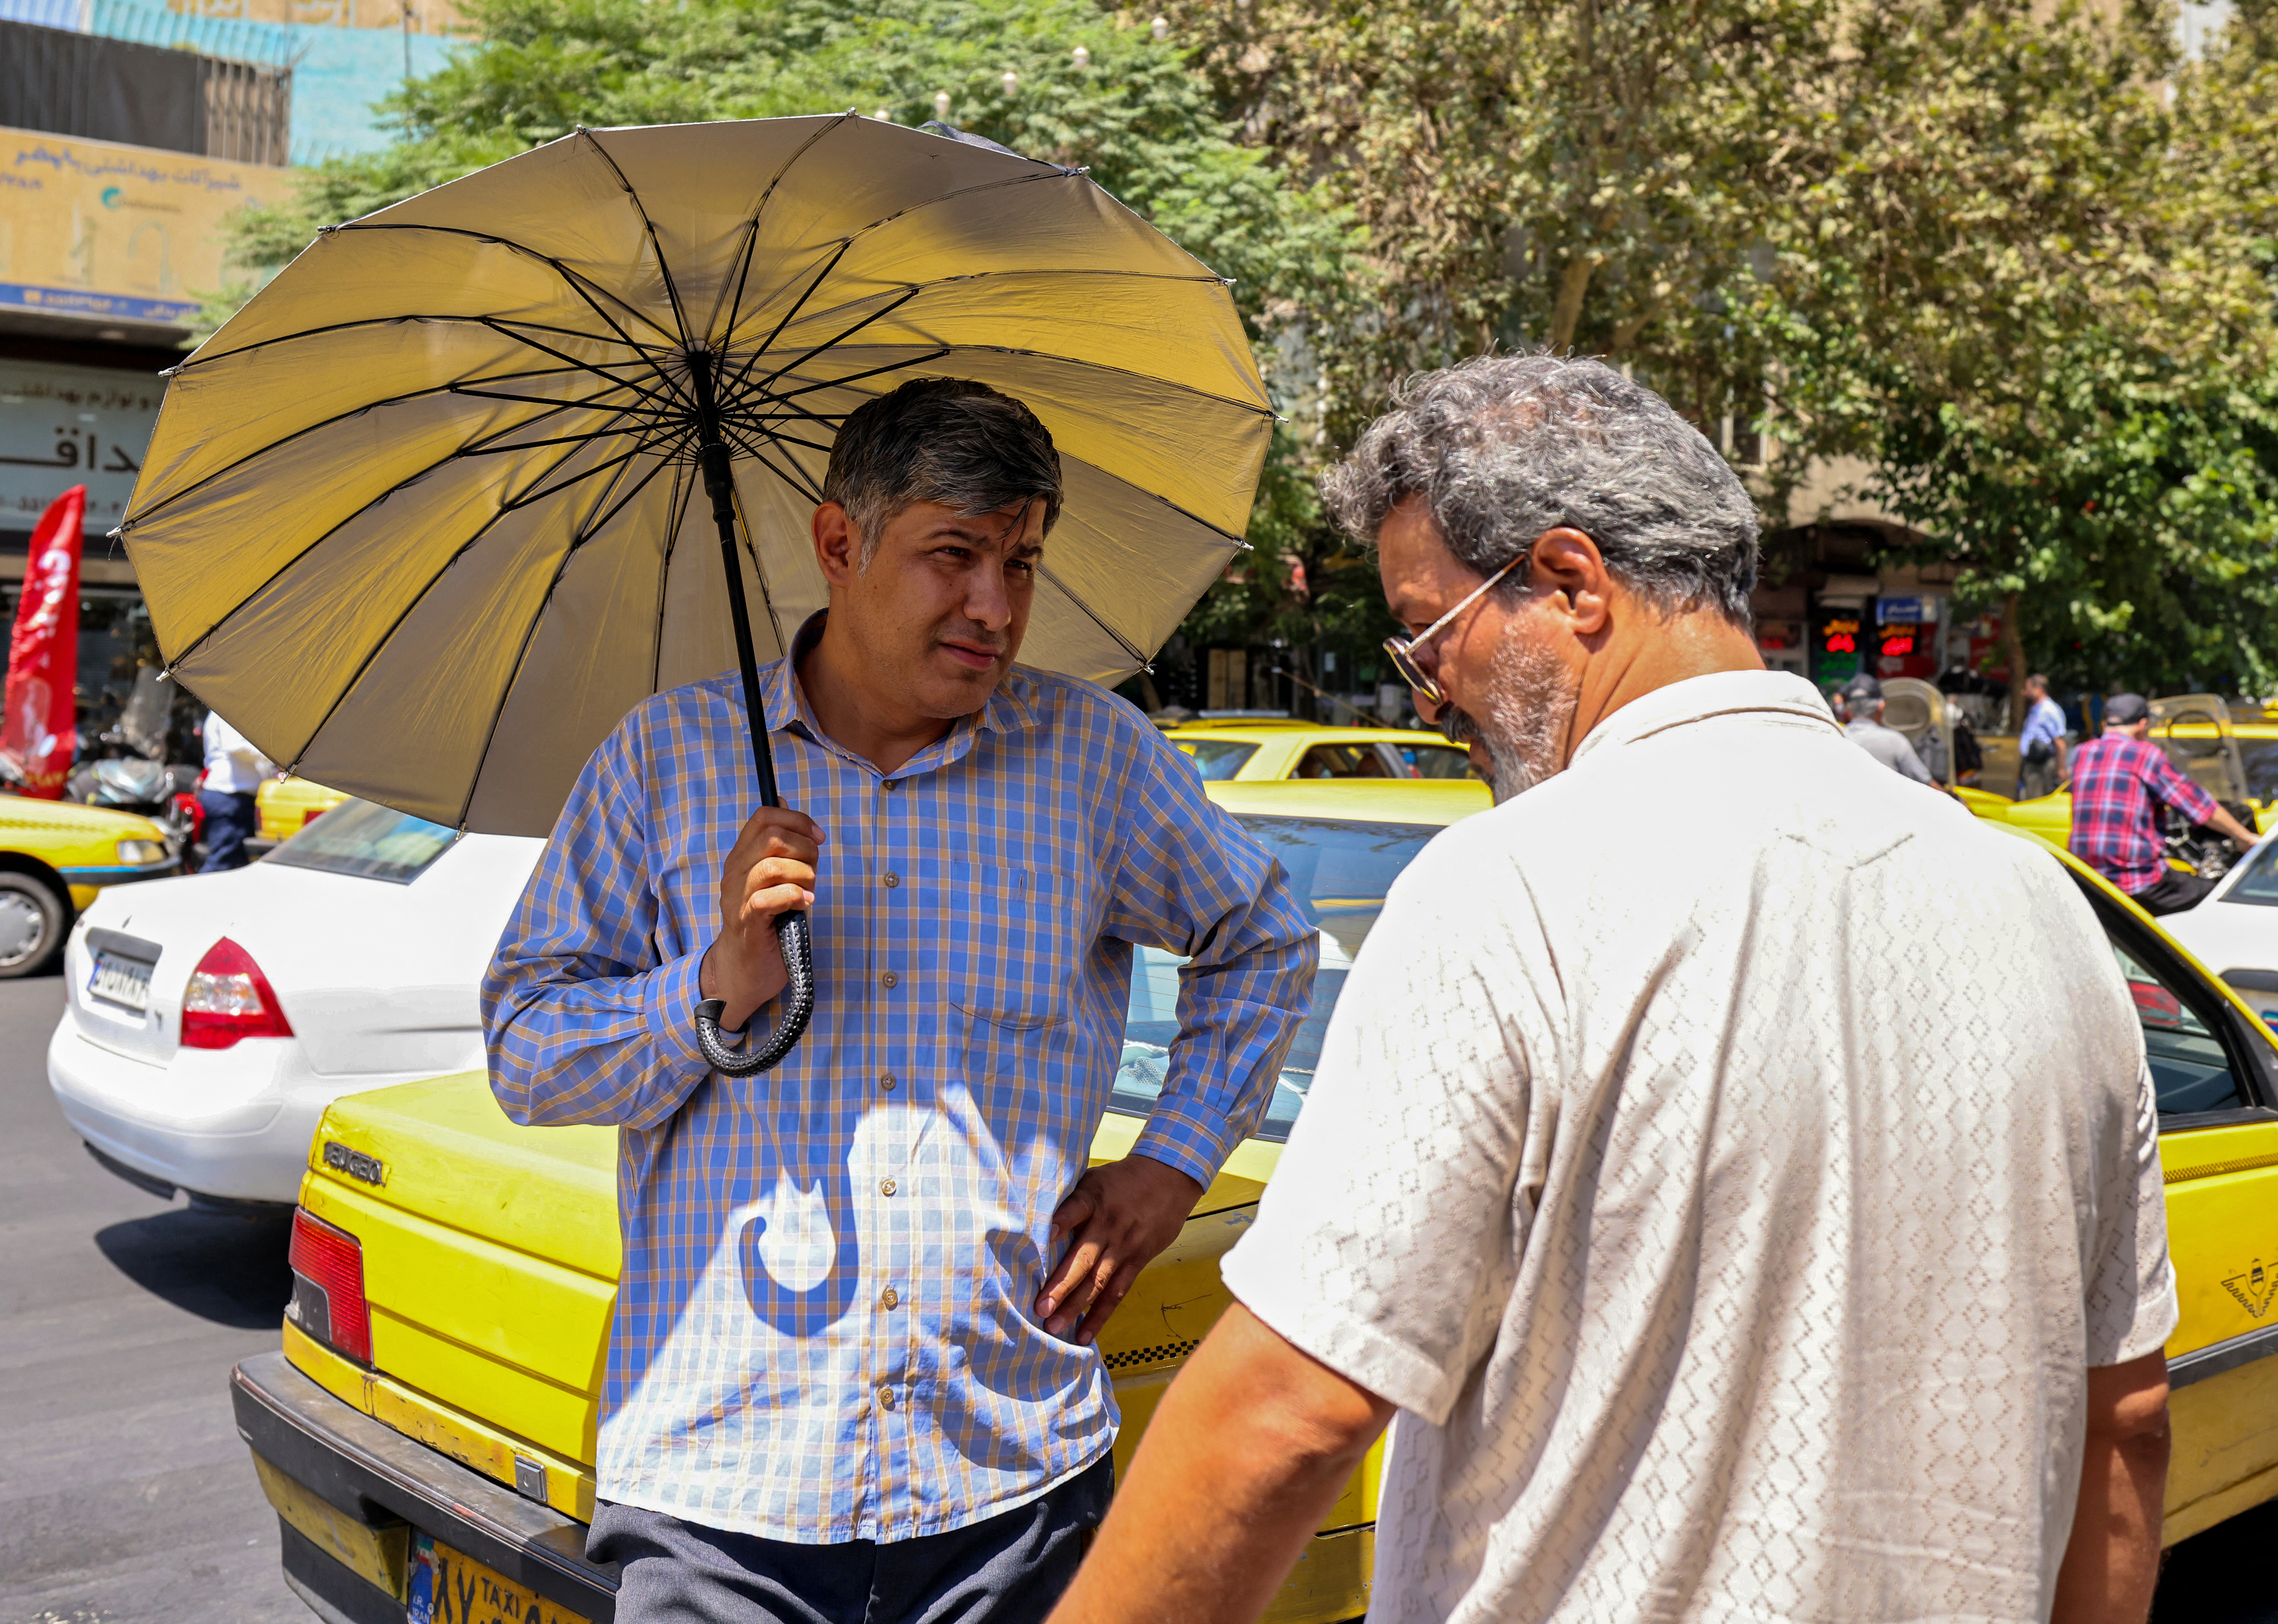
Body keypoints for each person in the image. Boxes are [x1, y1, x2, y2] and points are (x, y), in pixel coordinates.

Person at [1052, 356, 2177, 1624]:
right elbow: (2123, 1419)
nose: (1430, 688)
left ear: (1573, 584)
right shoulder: (2041, 909)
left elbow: (1288, 1408)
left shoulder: (1507, 891)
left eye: (1428, 631)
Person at [483, 378, 1317, 1624]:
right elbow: (525, 1053)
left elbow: (1262, 939)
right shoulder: (663, 761)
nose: (996, 605)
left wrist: (1173, 1164)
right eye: (953, 555)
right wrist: (710, 990)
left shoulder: (1094, 762)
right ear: (839, 545)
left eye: (1022, 562)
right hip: (722, 1492)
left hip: (1010, 1484)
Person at [2069, 691, 2259, 915]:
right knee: (2219, 900)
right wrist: (2243, 837)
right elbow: (2199, 806)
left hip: (2088, 881)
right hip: (2134, 881)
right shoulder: (2144, 754)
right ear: (2142, 725)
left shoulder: (2082, 753)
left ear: (2105, 724)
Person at [196, 709, 271, 872]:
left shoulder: (224, 710)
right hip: (230, 797)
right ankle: (201, 896)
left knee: (237, 864)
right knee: (224, 861)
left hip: (234, 797)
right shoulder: (227, 711)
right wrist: (270, 754)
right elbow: (235, 746)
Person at [1837, 672, 1934, 784]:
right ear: (1881, 706)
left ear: (1848, 710)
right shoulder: (1895, 741)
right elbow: (1924, 782)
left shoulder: (1837, 738)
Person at [2020, 671, 2068, 798]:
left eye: (2027, 689)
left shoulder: (2049, 710)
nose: (2023, 693)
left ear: (2039, 690)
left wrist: (2061, 768)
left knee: (2036, 803)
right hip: (2032, 764)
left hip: (2042, 766)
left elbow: (2060, 743)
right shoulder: (2036, 709)